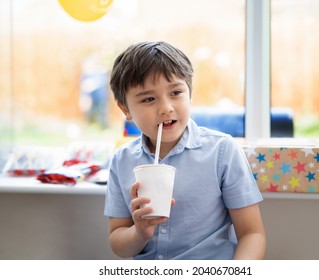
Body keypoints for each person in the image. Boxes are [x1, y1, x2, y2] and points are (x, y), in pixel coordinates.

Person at [104, 41, 266, 260]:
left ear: (189, 94)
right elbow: (118, 243)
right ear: (126, 109)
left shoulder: (222, 151)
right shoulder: (121, 161)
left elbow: (252, 235)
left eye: (176, 92)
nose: (166, 108)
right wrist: (140, 231)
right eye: (149, 99)